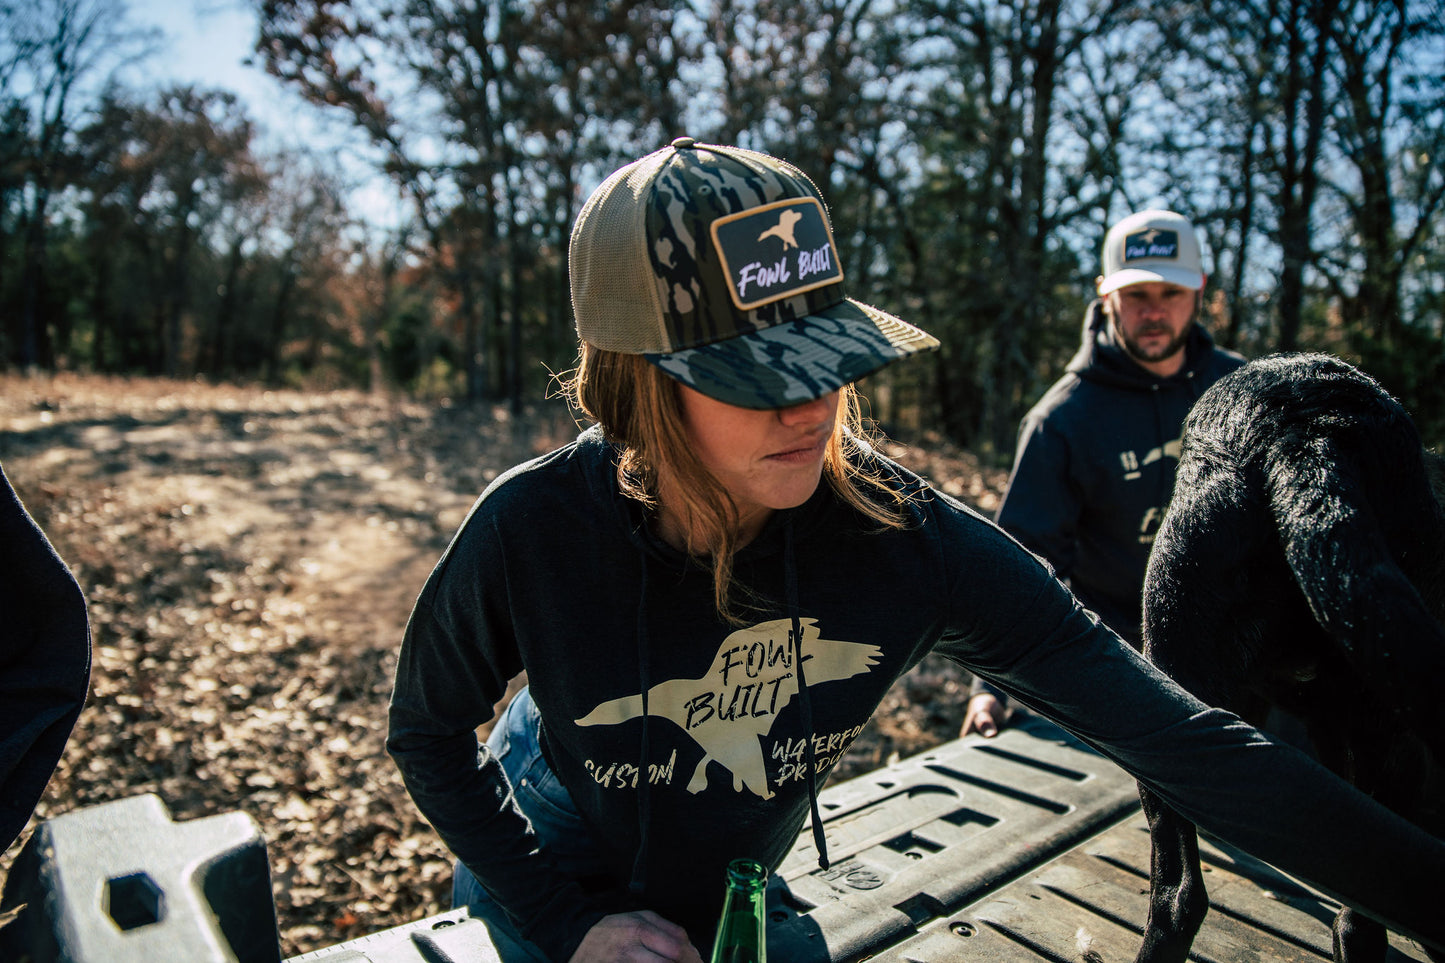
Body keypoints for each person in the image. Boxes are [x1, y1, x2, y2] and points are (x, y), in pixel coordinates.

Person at [385, 140, 1445, 963]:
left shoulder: (901, 544)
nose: (810, 406)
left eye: (827, 358)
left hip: (734, 870)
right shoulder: (533, 530)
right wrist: (562, 923)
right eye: (758, 374)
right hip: (555, 831)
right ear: (638, 382)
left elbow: (1186, 745)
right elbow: (428, 730)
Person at [962, 209, 1246, 739]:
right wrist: (989, 691)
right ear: (1105, 293)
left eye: (1171, 293)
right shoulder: (1062, 421)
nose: (1154, 313)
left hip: (1239, 657)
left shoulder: (1245, 391)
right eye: (1137, 295)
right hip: (1118, 668)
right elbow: (1022, 563)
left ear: (1200, 290)